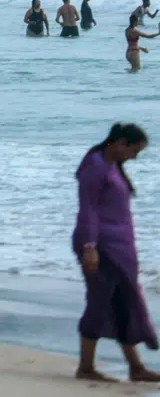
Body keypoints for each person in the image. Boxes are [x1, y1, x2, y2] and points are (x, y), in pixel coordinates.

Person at [72, 123, 159, 382]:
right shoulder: (95, 167)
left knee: (123, 304)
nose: (135, 157)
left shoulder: (111, 166)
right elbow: (88, 209)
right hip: (100, 247)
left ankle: (136, 367)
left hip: (118, 248)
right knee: (99, 302)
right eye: (134, 151)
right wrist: (90, 247)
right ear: (121, 143)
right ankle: (85, 367)